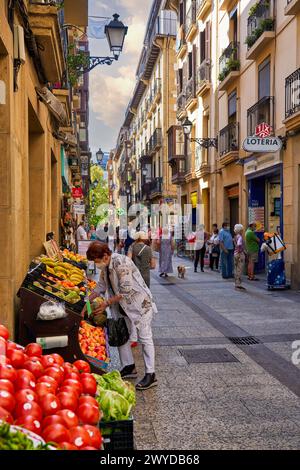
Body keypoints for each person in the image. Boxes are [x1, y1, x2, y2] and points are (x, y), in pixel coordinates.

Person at [86, 242, 158, 391]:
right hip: (122, 307)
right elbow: (101, 286)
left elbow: (126, 289)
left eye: (97, 261)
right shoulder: (105, 267)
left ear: (105, 256)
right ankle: (129, 366)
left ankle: (151, 374)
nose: (96, 264)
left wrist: (106, 303)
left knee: (144, 337)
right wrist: (86, 302)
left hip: (139, 305)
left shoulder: (121, 262)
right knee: (122, 333)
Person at [234, 224, 246, 291]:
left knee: (236, 269)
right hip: (239, 254)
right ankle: (238, 284)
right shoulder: (240, 237)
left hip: (235, 253)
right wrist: (240, 252)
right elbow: (239, 245)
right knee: (239, 269)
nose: (243, 231)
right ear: (240, 230)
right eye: (242, 230)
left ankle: (236, 284)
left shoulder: (235, 236)